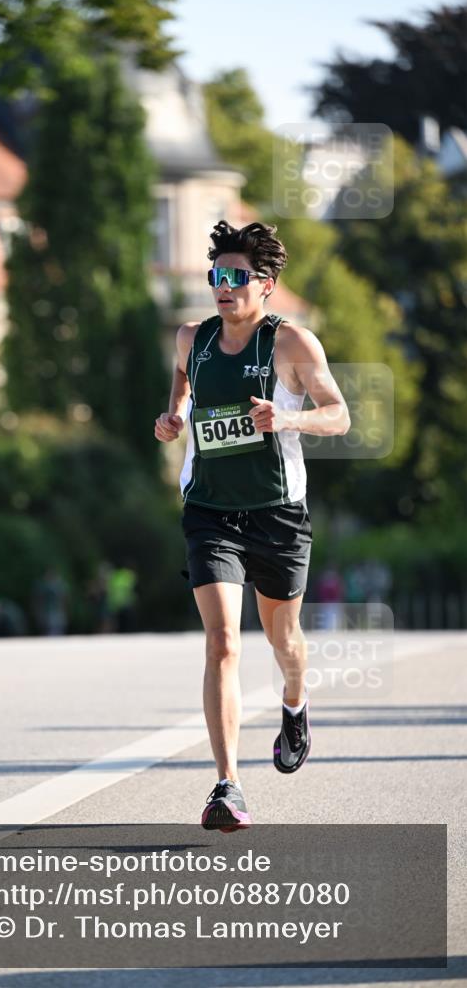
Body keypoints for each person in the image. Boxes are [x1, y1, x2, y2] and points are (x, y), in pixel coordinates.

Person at [154, 220, 350, 832]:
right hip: (210, 511)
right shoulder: (192, 338)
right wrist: (174, 414)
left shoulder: (291, 344)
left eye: (237, 277)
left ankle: (295, 703)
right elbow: (182, 378)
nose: (224, 286)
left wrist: (287, 420)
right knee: (222, 642)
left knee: (283, 639)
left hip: (277, 513)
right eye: (217, 275)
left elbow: (339, 415)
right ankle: (228, 785)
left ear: (265, 285)